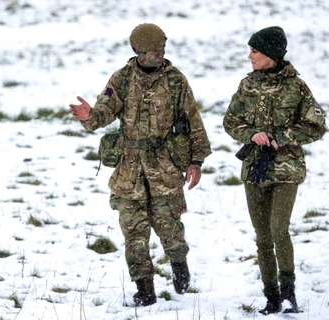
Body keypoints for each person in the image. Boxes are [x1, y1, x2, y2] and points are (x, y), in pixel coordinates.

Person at [69, 23, 212, 307]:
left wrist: (196, 161)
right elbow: (103, 113)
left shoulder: (175, 81)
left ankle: (178, 261)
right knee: (134, 234)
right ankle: (144, 289)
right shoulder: (121, 79)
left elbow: (194, 121)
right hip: (129, 172)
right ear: (136, 51)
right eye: (151, 52)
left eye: (161, 50)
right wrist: (89, 116)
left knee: (169, 229)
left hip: (164, 168)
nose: (158, 56)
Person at [223, 26, 327, 315]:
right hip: (254, 170)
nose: (249, 56)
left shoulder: (297, 87)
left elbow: (318, 125)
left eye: (255, 51)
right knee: (262, 237)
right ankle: (270, 296)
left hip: (286, 170)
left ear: (270, 53)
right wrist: (251, 134)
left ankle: (288, 292)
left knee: (279, 230)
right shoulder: (247, 86)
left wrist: (282, 138)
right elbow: (230, 121)